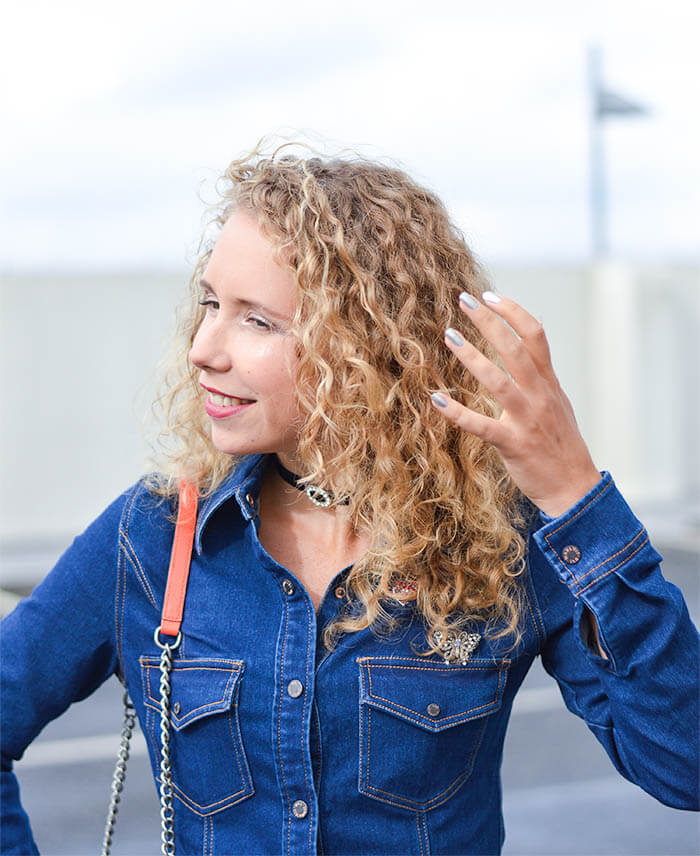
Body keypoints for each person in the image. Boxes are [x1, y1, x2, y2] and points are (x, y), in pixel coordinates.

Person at [1, 143, 698, 856]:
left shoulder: (504, 542)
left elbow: (683, 764)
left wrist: (578, 496)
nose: (203, 348)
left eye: (256, 320)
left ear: (364, 346)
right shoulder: (153, 538)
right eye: (211, 303)